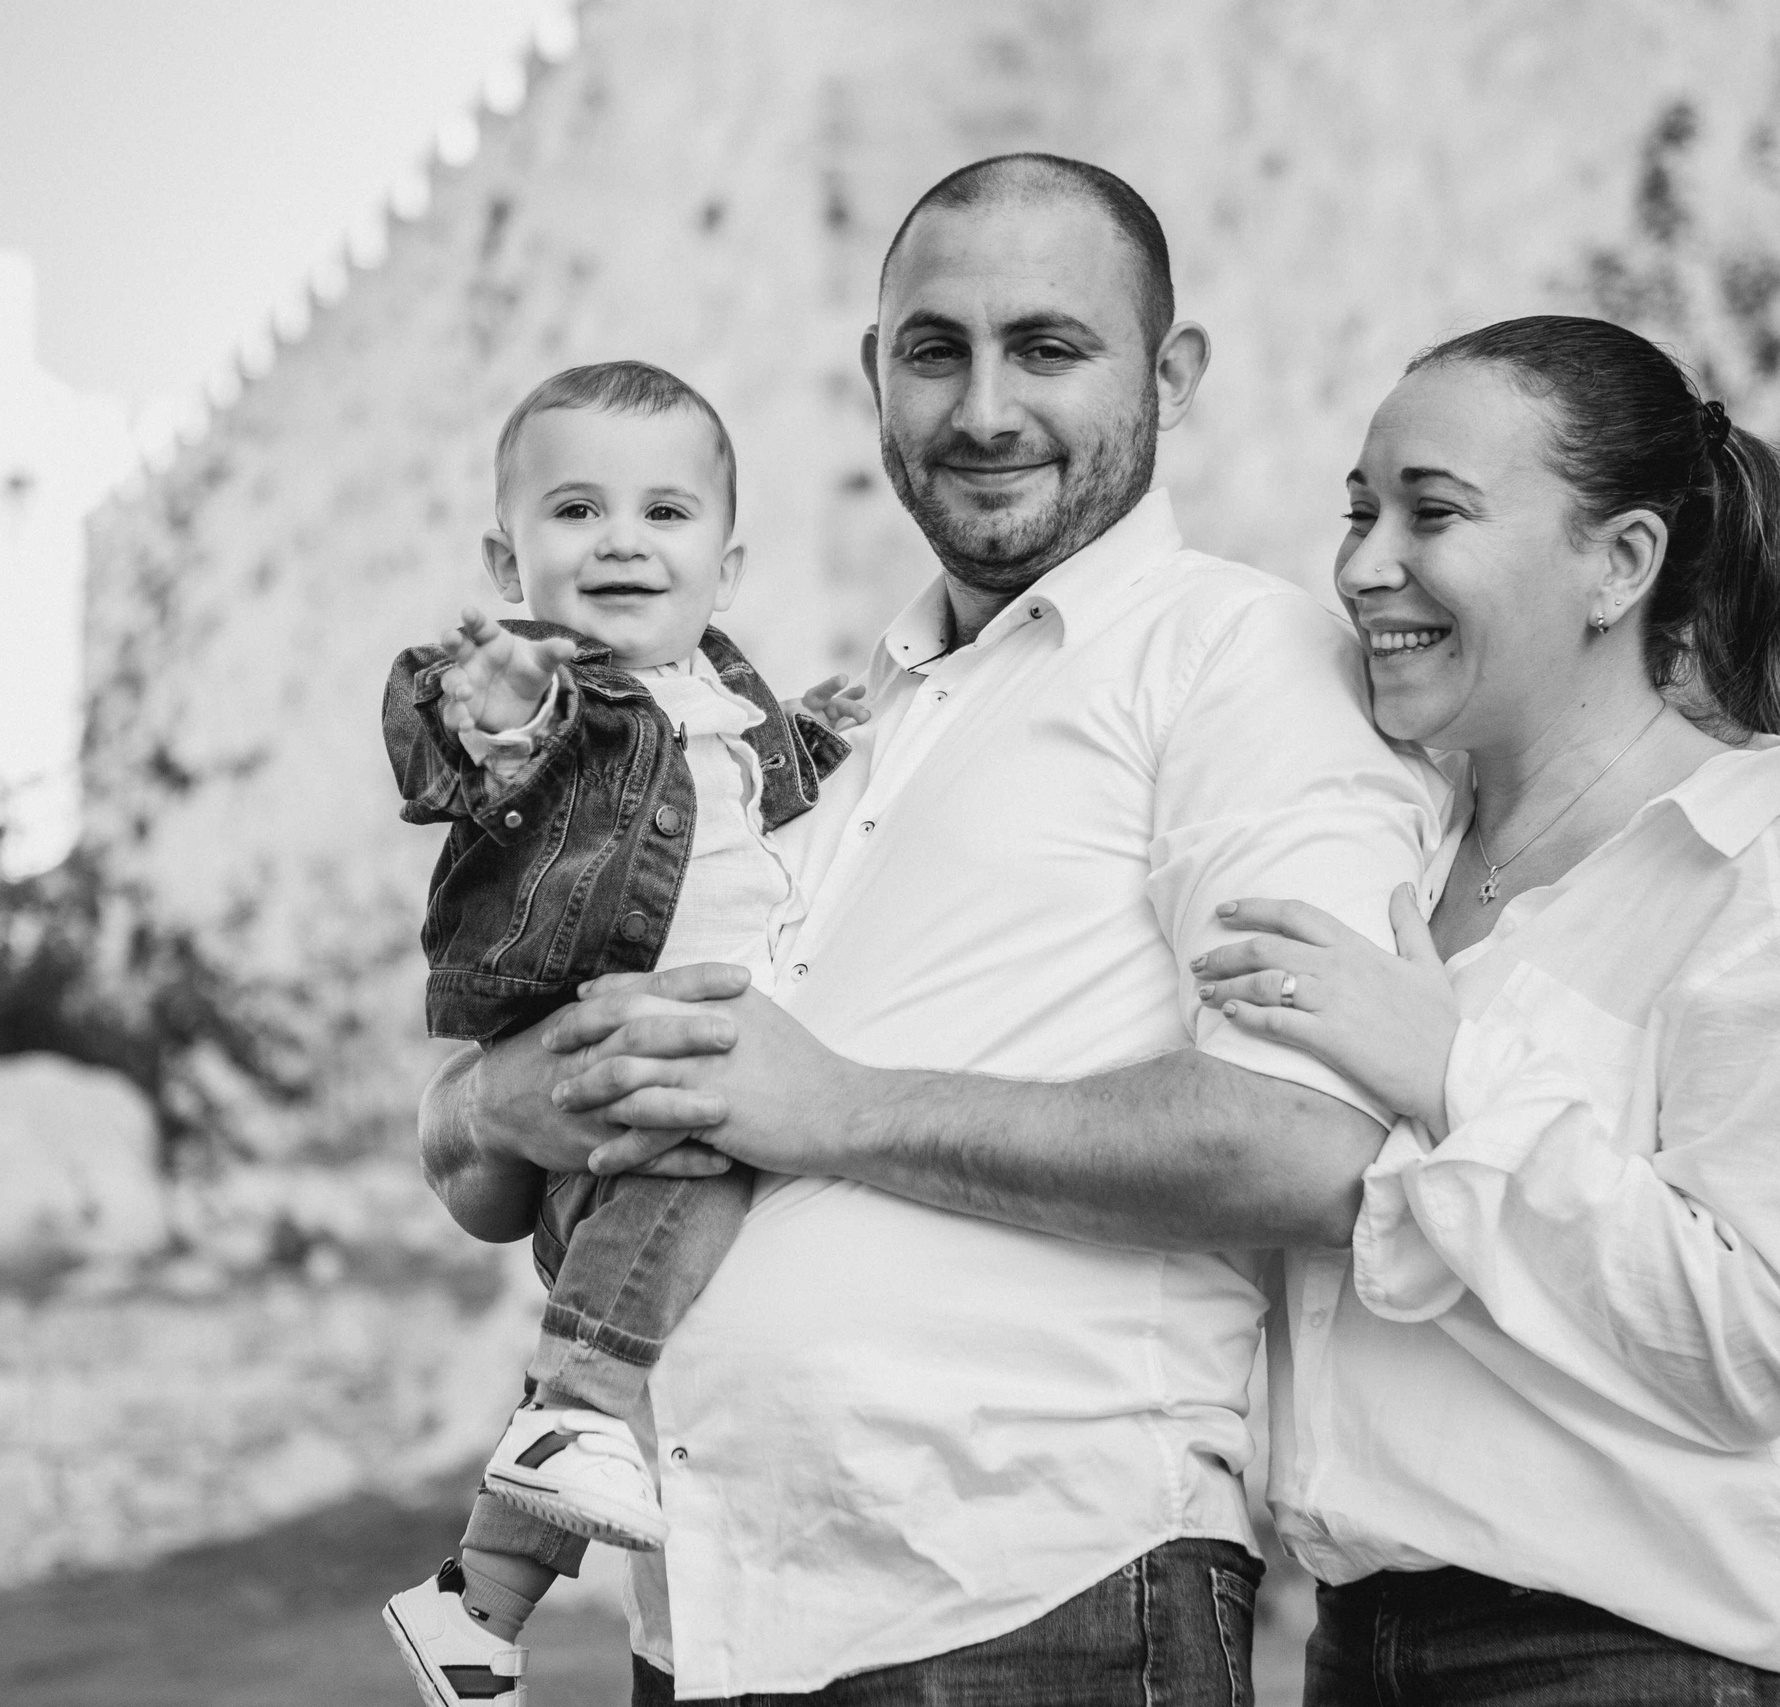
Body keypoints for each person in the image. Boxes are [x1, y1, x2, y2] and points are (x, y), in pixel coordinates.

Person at [418, 153, 1442, 1702]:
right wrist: (502, 1095)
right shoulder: (827, 732)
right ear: (873, 375)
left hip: (1035, 1612)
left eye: (1048, 347)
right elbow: (483, 1173)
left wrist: (827, 1107)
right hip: (705, 1627)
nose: (982, 410)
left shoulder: (1242, 659)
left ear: (1173, 376)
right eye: (935, 350)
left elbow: (1305, 1147)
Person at [1192, 317, 1780, 1705]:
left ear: (1620, 563)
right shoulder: (1406, 863)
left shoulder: (1768, 906)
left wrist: (1454, 1073)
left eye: (1431, 513)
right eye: (1360, 511)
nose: (1368, 564)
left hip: (1661, 1662)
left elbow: (1749, 1342)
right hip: (1370, 1650)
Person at [376, 359, 867, 1707]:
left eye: (664, 514)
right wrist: (500, 702)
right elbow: (446, 730)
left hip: (689, 1077)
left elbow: (764, 821)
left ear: (727, 557)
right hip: (616, 1075)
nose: (622, 542)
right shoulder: (559, 698)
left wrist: (833, 737)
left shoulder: (734, 701)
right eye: (577, 512)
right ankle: (574, 1408)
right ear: (508, 554)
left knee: (631, 1399)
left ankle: (473, 1601)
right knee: (620, 1360)